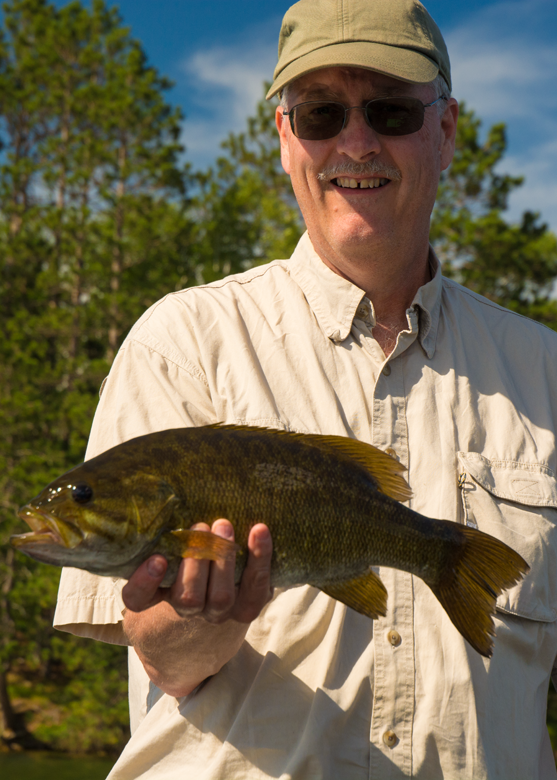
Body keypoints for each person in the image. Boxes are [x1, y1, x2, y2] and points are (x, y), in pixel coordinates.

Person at [54, 0, 557, 777]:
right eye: (320, 113)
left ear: (446, 131)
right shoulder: (183, 341)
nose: (355, 142)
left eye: (390, 110)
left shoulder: (543, 370)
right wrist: (200, 616)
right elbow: (167, 663)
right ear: (286, 137)